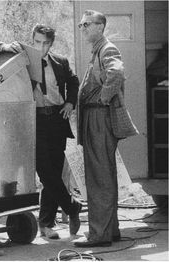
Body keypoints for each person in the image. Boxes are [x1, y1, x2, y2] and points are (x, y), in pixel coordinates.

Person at [0, 24, 82, 239]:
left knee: (54, 173)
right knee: (45, 171)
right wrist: (4, 46)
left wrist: (69, 103)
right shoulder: (22, 56)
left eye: (45, 43)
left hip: (57, 119)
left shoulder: (61, 62)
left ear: (51, 43)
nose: (41, 47)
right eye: (37, 42)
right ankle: (72, 207)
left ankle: (46, 224)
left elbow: (74, 83)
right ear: (32, 40)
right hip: (33, 120)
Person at [74, 10, 138, 247]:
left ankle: (99, 235)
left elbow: (117, 73)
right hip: (96, 118)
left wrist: (103, 98)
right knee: (104, 176)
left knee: (99, 177)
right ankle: (109, 231)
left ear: (100, 26)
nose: (83, 28)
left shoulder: (107, 48)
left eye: (86, 24)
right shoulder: (98, 49)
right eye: (81, 25)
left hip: (99, 118)